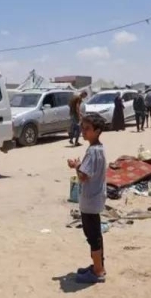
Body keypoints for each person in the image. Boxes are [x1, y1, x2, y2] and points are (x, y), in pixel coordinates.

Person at [67, 113, 108, 284]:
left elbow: (84, 176)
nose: (83, 132)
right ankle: (98, 266)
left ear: (97, 131)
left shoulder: (92, 152)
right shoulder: (98, 148)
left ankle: (98, 271)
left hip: (90, 201)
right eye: (83, 128)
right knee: (95, 234)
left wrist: (75, 165)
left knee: (93, 236)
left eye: (87, 129)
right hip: (95, 198)